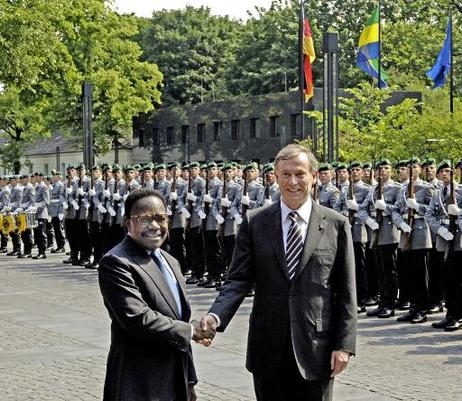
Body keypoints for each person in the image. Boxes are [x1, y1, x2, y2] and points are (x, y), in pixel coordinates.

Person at [200, 144, 357, 401]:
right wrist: (216, 317)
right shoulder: (255, 222)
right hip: (267, 346)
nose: (292, 181)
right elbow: (238, 279)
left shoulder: (337, 225)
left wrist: (344, 345)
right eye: (285, 174)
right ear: (275, 176)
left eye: (300, 174)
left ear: (314, 176)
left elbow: (346, 290)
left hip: (316, 347)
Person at [98, 188, 214, 401]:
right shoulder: (116, 263)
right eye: (144, 219)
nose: (154, 226)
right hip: (139, 382)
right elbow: (138, 318)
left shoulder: (171, 262)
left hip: (175, 379)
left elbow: (178, 321)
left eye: (161, 218)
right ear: (127, 223)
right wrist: (191, 330)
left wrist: (189, 380)